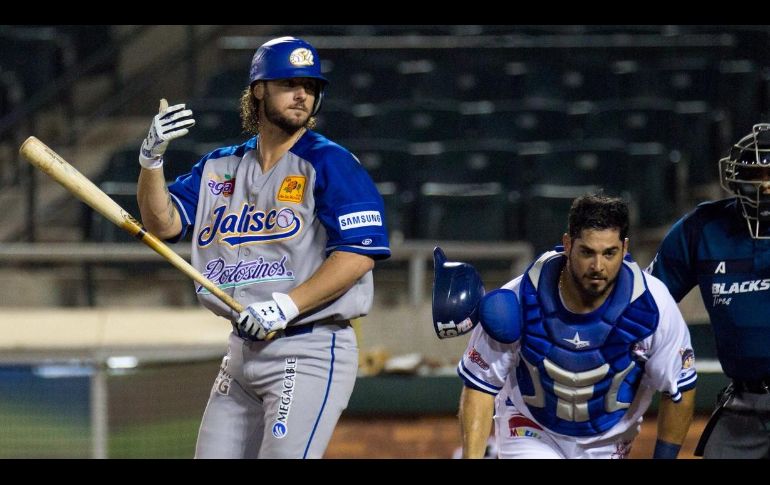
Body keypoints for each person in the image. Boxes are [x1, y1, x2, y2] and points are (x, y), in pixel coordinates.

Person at [135, 36, 390, 458]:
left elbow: (359, 253)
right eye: (289, 83)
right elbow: (161, 224)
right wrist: (151, 162)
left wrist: (286, 306)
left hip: (307, 346)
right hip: (240, 353)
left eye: (310, 86)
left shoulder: (331, 163)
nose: (302, 94)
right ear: (258, 89)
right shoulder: (221, 166)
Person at [434, 193, 696, 458]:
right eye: (587, 252)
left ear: (625, 249)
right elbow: (480, 383)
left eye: (609, 253)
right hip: (531, 428)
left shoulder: (653, 306)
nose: (598, 266)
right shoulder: (518, 299)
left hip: (609, 439)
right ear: (568, 244)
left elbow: (680, 389)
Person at [647, 123, 770, 459]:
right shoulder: (701, 230)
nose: (766, 186)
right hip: (745, 405)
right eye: (757, 174)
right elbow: (647, 303)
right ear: (734, 177)